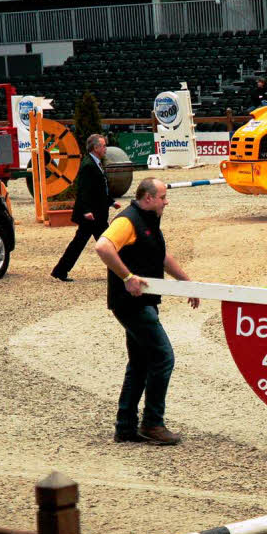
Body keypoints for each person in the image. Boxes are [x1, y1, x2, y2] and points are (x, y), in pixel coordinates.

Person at [95, 178, 200, 444]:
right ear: (149, 198)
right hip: (132, 304)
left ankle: (126, 426)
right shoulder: (128, 220)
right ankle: (153, 424)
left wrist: (186, 283)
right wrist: (127, 276)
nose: (166, 201)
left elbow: (161, 256)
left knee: (140, 363)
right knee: (163, 358)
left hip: (142, 303)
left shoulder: (148, 222)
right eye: (163, 197)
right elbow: (103, 246)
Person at [51, 134, 121, 282]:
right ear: (95, 148)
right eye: (103, 146)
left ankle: (60, 270)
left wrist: (111, 202)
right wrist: (86, 211)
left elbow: (99, 189)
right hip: (92, 215)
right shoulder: (88, 165)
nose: (105, 148)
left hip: (97, 213)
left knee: (80, 243)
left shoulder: (95, 163)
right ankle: (119, 272)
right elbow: (84, 190)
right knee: (108, 243)